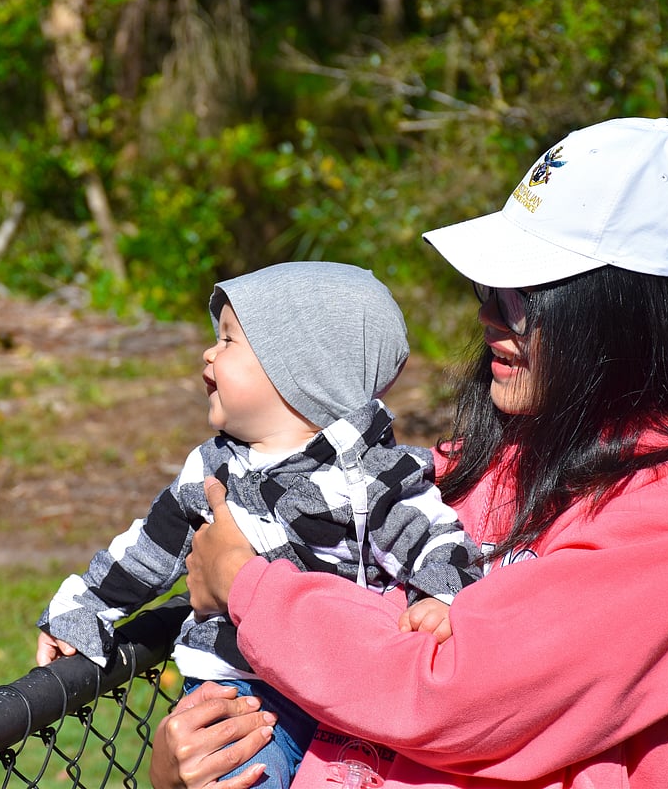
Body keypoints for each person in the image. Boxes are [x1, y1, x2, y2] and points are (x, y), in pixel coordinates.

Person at [150, 116, 668, 789]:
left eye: (522, 298)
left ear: (625, 314)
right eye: (488, 290)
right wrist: (197, 758)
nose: (488, 317)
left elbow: (450, 691)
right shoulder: (485, 463)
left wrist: (247, 587)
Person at [37, 261, 482, 788]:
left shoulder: (370, 476)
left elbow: (436, 538)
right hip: (236, 693)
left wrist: (440, 598)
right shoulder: (212, 469)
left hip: (344, 688)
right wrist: (80, 610)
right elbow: (146, 552)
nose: (208, 352)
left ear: (300, 370)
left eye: (228, 340)